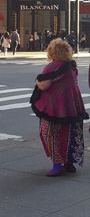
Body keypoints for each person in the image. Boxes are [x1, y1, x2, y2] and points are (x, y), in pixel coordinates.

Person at [31, 38, 88, 176]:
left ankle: (57, 165)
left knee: (49, 134)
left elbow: (44, 84)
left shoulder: (52, 67)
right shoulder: (71, 66)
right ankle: (69, 163)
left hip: (53, 108)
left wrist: (37, 83)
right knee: (70, 133)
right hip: (71, 106)